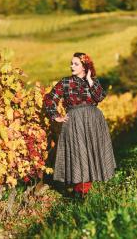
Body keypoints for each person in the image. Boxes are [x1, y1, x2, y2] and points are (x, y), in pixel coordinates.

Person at [43, 52, 117, 199]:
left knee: (91, 152)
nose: (71, 66)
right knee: (78, 153)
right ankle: (79, 190)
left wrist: (90, 80)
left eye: (76, 64)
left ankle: (83, 190)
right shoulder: (65, 82)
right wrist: (55, 116)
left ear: (85, 66)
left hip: (94, 120)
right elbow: (49, 99)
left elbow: (100, 97)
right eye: (71, 63)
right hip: (74, 120)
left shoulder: (93, 81)